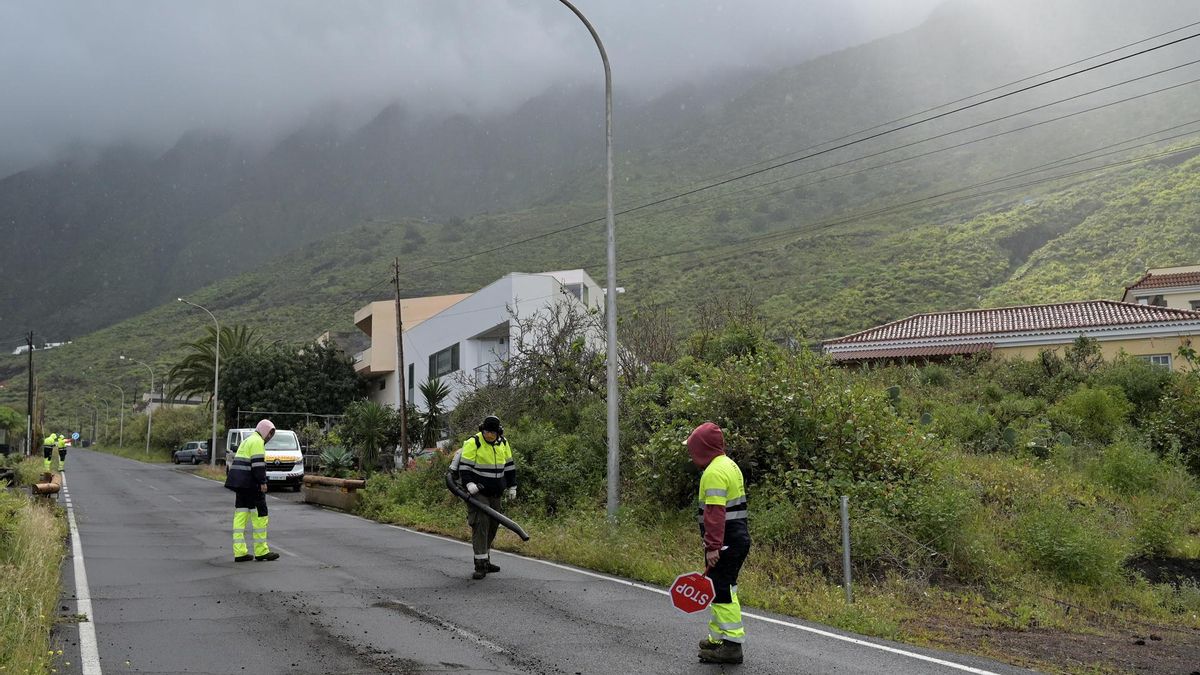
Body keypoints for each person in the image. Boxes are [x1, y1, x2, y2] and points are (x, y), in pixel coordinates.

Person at [687, 422, 750, 665]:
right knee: (716, 589)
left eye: (693, 450)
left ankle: (732, 646)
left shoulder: (713, 472)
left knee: (723, 591)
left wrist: (713, 546)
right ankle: (717, 638)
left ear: (703, 448)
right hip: (735, 539)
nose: (692, 456)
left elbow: (714, 513)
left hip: (724, 541)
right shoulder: (729, 465)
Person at [455, 415, 517, 580]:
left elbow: (510, 466)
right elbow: (465, 467)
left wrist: (512, 486)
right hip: (478, 492)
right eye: (486, 432)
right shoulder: (473, 442)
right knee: (481, 524)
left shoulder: (503, 443)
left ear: (498, 432)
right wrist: (469, 484)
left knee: (493, 525)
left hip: (496, 492)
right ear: (482, 430)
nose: (489, 435)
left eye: (492, 433)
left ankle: (486, 559)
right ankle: (480, 565)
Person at [223, 419, 279, 562]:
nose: (269, 437)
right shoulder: (257, 442)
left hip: (240, 484)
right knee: (260, 515)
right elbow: (258, 464)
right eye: (269, 434)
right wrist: (262, 482)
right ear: (264, 430)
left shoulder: (248, 440)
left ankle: (240, 552)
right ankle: (261, 551)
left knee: (240, 516)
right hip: (251, 484)